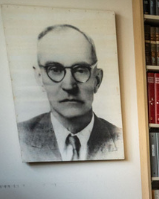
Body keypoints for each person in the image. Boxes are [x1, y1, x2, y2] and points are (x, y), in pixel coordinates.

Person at [18, 24, 122, 162]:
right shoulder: (20, 136)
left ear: (97, 80)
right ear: (39, 77)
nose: (68, 85)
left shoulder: (120, 138)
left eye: (80, 70)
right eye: (55, 69)